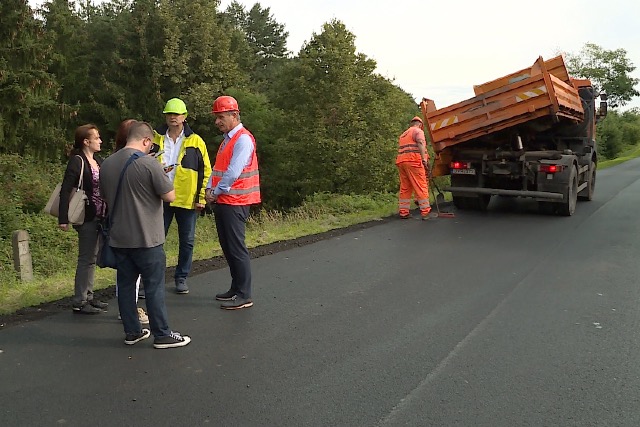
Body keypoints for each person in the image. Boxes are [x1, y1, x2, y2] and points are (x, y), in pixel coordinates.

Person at [100, 121, 191, 348]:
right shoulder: (149, 163)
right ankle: (162, 334)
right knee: (153, 286)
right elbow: (169, 196)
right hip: (147, 237)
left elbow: (105, 196)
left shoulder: (107, 164)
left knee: (126, 286)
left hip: (119, 237)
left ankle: (133, 332)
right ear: (147, 141)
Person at [205, 95, 260, 310]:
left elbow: (233, 173)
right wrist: (211, 188)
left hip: (235, 200)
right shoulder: (228, 139)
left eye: (221, 117)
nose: (217, 121)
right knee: (228, 246)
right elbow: (219, 168)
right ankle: (236, 288)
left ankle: (244, 294)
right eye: (216, 117)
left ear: (234, 115)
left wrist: (216, 191)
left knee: (236, 248)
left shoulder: (243, 139)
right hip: (225, 199)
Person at [153, 98, 212, 294]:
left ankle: (181, 277)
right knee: (156, 240)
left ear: (184, 117)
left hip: (187, 198)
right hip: (160, 197)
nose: (172, 118)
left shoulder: (196, 141)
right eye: (169, 114)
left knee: (187, 240)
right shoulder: (155, 138)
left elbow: (206, 171)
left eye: (176, 114)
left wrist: (202, 198)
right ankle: (154, 278)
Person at [59, 124, 109, 314]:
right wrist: (63, 218)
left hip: (100, 214)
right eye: (96, 138)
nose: (100, 141)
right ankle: (80, 300)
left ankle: (88, 296)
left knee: (92, 257)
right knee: (86, 257)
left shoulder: (98, 160)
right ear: (86, 141)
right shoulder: (77, 161)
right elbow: (65, 190)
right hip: (86, 215)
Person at [113, 119, 148, 325]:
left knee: (125, 273)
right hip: (134, 222)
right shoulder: (136, 161)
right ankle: (130, 312)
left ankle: (127, 310)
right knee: (133, 274)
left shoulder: (112, 160)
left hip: (118, 221)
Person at [396, 116, 431, 220]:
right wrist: (424, 159)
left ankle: (404, 212)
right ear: (420, 124)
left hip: (402, 162)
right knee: (421, 185)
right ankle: (425, 212)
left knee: (405, 187)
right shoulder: (418, 131)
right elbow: (420, 143)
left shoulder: (403, 134)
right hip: (414, 162)